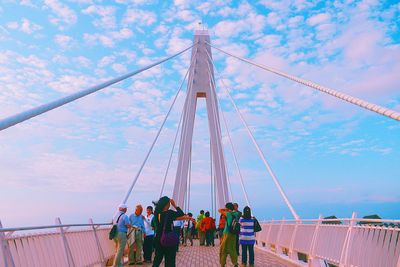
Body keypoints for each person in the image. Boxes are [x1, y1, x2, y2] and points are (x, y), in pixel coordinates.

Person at [152, 196, 184, 267]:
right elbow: (181, 213)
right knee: (170, 260)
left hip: (158, 238)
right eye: (169, 203)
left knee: (157, 258)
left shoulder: (157, 213)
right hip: (168, 238)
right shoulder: (169, 213)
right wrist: (175, 205)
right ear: (167, 204)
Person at [219, 202, 239, 267]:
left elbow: (219, 210)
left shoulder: (228, 213)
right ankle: (235, 263)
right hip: (234, 233)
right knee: (232, 248)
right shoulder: (236, 213)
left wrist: (226, 209)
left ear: (227, 208)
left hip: (227, 233)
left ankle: (222, 264)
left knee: (223, 249)